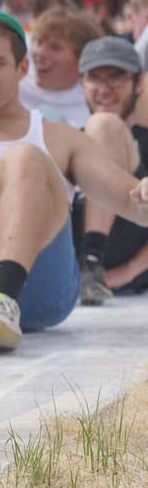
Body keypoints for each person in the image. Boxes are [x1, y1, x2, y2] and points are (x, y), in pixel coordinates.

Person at [0, 12, 148, 350]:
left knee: (24, 157)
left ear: (22, 69)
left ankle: (3, 298)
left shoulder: (58, 137)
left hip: (38, 291)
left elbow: (134, 203)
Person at [76, 38, 148, 302]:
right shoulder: (67, 141)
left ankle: (92, 262)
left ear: (138, 83)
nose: (104, 90)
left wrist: (128, 272)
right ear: (82, 83)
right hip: (70, 280)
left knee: (104, 124)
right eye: (94, 78)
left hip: (131, 271)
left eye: (116, 78)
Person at [19, 6, 101, 126]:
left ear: (82, 59)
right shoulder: (15, 80)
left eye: (55, 48)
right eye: (39, 42)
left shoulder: (95, 103)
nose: (40, 53)